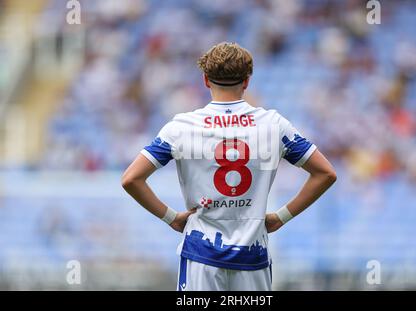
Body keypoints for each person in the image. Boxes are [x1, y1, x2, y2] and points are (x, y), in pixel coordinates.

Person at [122, 42, 337, 291]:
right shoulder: (273, 124)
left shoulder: (181, 127)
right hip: (253, 256)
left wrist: (171, 218)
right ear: (247, 81)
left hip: (201, 256)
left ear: (205, 80)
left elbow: (131, 179)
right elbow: (325, 173)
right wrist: (281, 217)